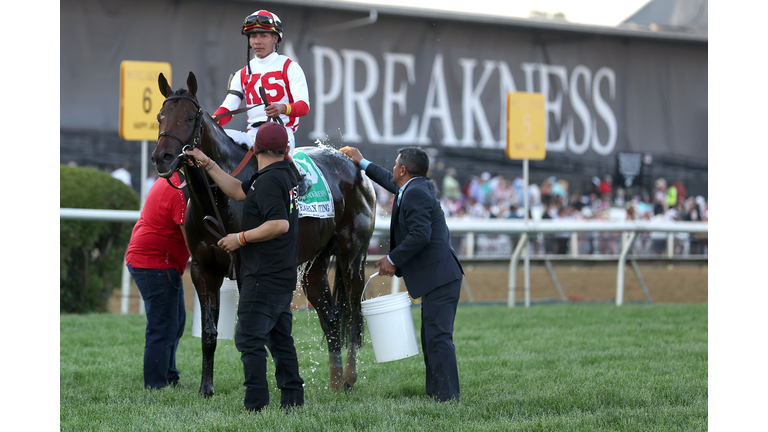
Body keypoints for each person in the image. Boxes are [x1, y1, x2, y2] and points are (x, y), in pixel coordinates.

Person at [184, 122, 303, 412]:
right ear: (284, 149)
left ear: (255, 148)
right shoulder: (282, 175)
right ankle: (292, 400)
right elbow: (238, 191)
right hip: (281, 273)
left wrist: (240, 238)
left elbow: (279, 224)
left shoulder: (269, 181)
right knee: (279, 338)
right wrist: (208, 163)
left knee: (249, 339)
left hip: (263, 274)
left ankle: (255, 406)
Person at [341, 146, 463, 403]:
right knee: (432, 337)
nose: (393, 169)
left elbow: (421, 235)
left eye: (396, 165)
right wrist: (362, 161)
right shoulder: (414, 186)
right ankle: (438, 393)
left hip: (441, 276)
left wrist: (392, 260)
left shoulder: (415, 192)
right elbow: (387, 179)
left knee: (438, 338)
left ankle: (447, 398)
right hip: (438, 275)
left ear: (403, 170)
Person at [212, 9, 312, 196]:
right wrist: (211, 122)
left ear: (276, 38)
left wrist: (283, 108)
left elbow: (304, 107)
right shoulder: (242, 73)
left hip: (281, 134)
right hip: (252, 135)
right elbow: (229, 106)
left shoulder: (290, 66)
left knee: (269, 140)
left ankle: (298, 178)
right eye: (253, 36)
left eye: (263, 35)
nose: (257, 41)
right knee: (213, 140)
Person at [125, 171, 189, 389]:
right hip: (155, 263)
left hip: (156, 262)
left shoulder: (174, 180)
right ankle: (156, 385)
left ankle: (169, 375)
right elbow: (189, 235)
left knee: (175, 322)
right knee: (163, 326)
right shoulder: (178, 190)